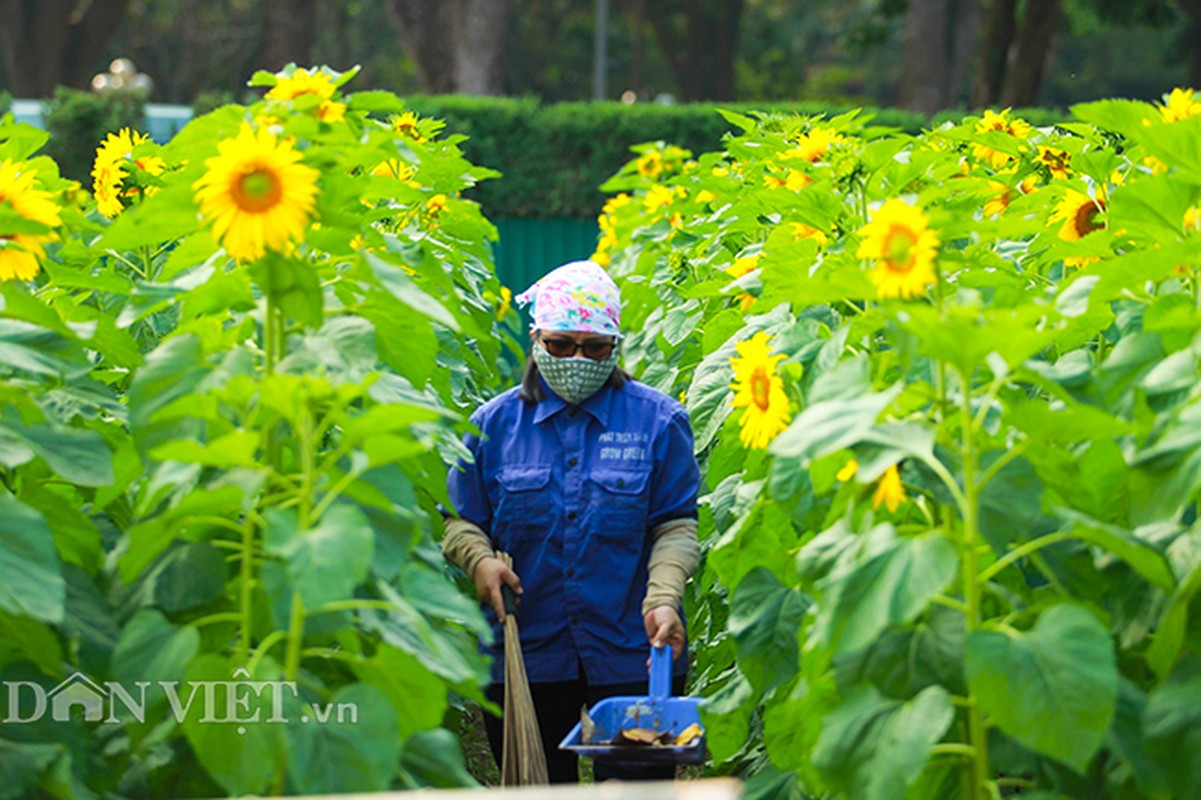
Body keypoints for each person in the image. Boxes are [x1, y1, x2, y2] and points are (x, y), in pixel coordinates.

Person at [442, 259, 702, 783]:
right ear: (536, 339)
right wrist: (481, 562)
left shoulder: (659, 420)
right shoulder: (491, 427)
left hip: (633, 648)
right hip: (528, 651)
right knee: (538, 787)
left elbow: (675, 524)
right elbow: (460, 522)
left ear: (615, 346)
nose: (577, 359)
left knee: (639, 792)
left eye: (595, 347)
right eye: (561, 345)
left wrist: (664, 598)